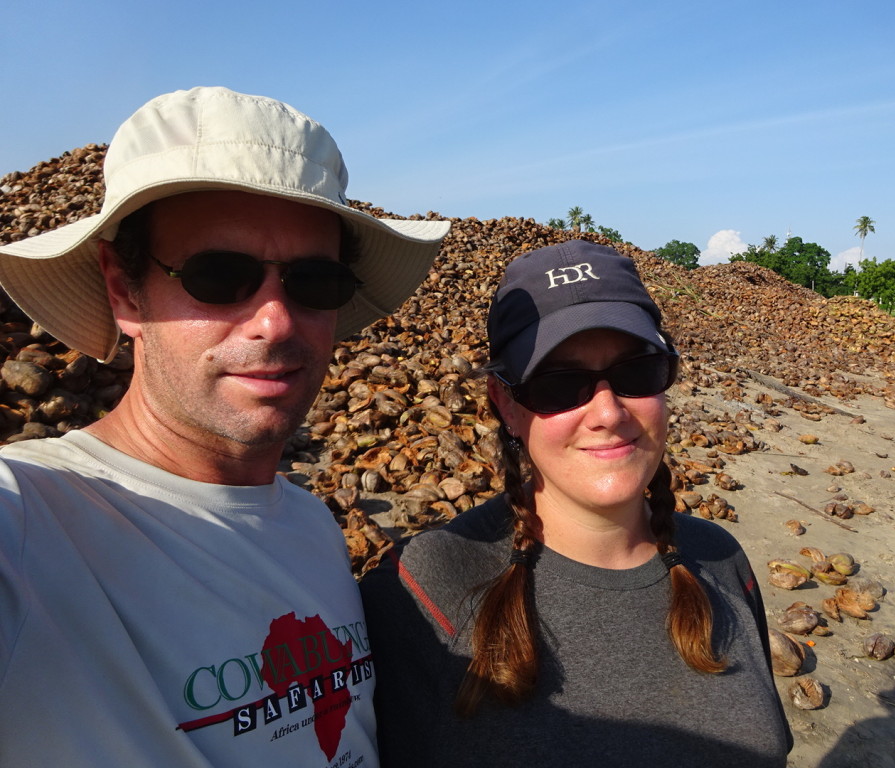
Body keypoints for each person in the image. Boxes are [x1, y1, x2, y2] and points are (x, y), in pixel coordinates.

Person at [0, 86, 449, 766]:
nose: (275, 320)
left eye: (313, 281)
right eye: (218, 275)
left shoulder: (312, 528)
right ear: (125, 291)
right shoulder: (31, 528)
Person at [360, 239, 792, 767]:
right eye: (560, 384)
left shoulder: (722, 560)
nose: (608, 412)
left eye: (637, 372)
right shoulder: (423, 590)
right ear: (506, 404)